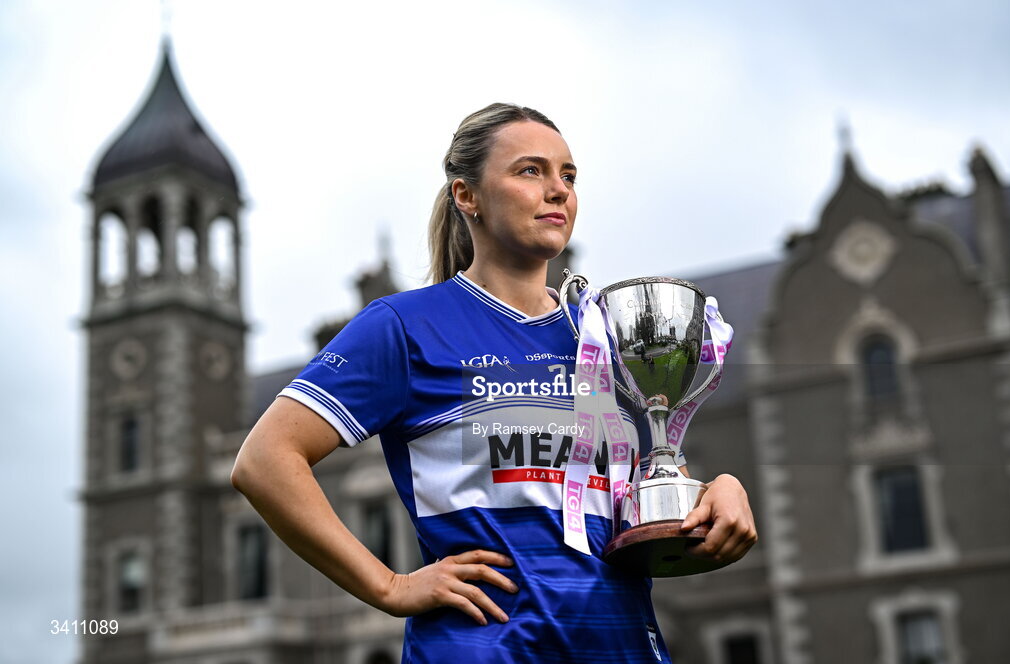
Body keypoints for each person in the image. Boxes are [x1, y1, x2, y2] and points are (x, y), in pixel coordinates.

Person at [231, 103, 757, 663]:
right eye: (531, 170)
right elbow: (264, 462)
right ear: (467, 196)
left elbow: (632, 501)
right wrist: (389, 586)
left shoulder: (603, 339)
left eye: (568, 175)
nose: (558, 190)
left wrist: (717, 494)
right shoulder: (407, 327)